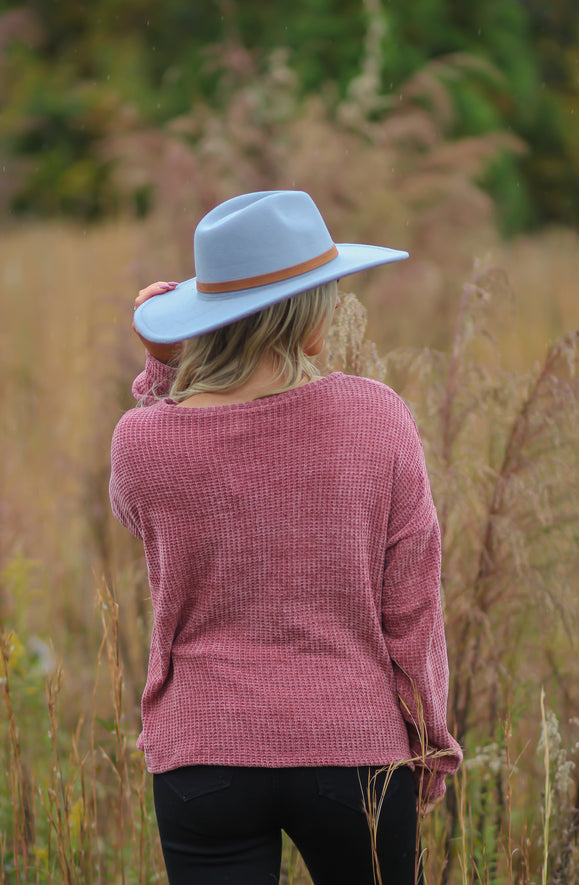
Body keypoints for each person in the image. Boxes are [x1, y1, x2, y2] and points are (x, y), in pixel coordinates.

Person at [109, 190, 462, 885]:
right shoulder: (379, 418)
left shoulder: (142, 440)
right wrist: (429, 740)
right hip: (355, 751)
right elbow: (414, 608)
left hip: (203, 756)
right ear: (305, 313)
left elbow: (134, 511)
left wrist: (164, 370)